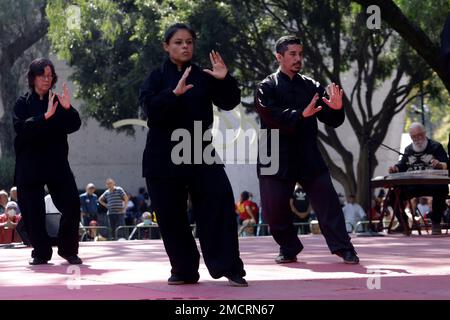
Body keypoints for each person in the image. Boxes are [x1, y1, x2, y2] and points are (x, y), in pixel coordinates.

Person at [139, 23, 247, 286]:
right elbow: (149, 110)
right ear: (166, 46)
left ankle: (230, 267)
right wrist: (173, 94)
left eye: (189, 41)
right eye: (178, 42)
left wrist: (225, 79)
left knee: (219, 202)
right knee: (170, 215)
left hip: (199, 147)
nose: (185, 46)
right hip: (163, 151)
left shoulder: (204, 75)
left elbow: (229, 101)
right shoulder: (155, 77)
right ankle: (184, 269)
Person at [254, 35, 359, 264]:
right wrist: (300, 115)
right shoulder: (267, 86)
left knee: (328, 202)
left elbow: (330, 118)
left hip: (307, 152)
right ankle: (289, 246)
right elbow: (268, 115)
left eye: (300, 54)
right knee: (273, 212)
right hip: (274, 152)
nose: (298, 58)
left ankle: (344, 248)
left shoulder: (311, 85)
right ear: (279, 57)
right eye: (292, 54)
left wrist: (337, 109)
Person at [13, 58, 82, 265]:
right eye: (42, 75)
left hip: (56, 164)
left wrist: (68, 109)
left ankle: (68, 249)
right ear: (33, 77)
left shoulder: (58, 101)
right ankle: (41, 253)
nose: (47, 79)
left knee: (71, 203)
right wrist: (44, 117)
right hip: (29, 166)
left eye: (50, 75)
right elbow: (21, 129)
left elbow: (74, 125)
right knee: (33, 213)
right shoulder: (22, 103)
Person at [388, 122, 449, 235]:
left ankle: (436, 223)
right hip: (414, 186)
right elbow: (402, 165)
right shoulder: (408, 149)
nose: (417, 139)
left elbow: (447, 163)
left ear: (425, 133)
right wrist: (395, 168)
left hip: (432, 184)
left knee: (441, 187)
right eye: (414, 137)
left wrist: (440, 165)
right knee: (393, 194)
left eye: (420, 135)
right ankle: (403, 223)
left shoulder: (435, 146)